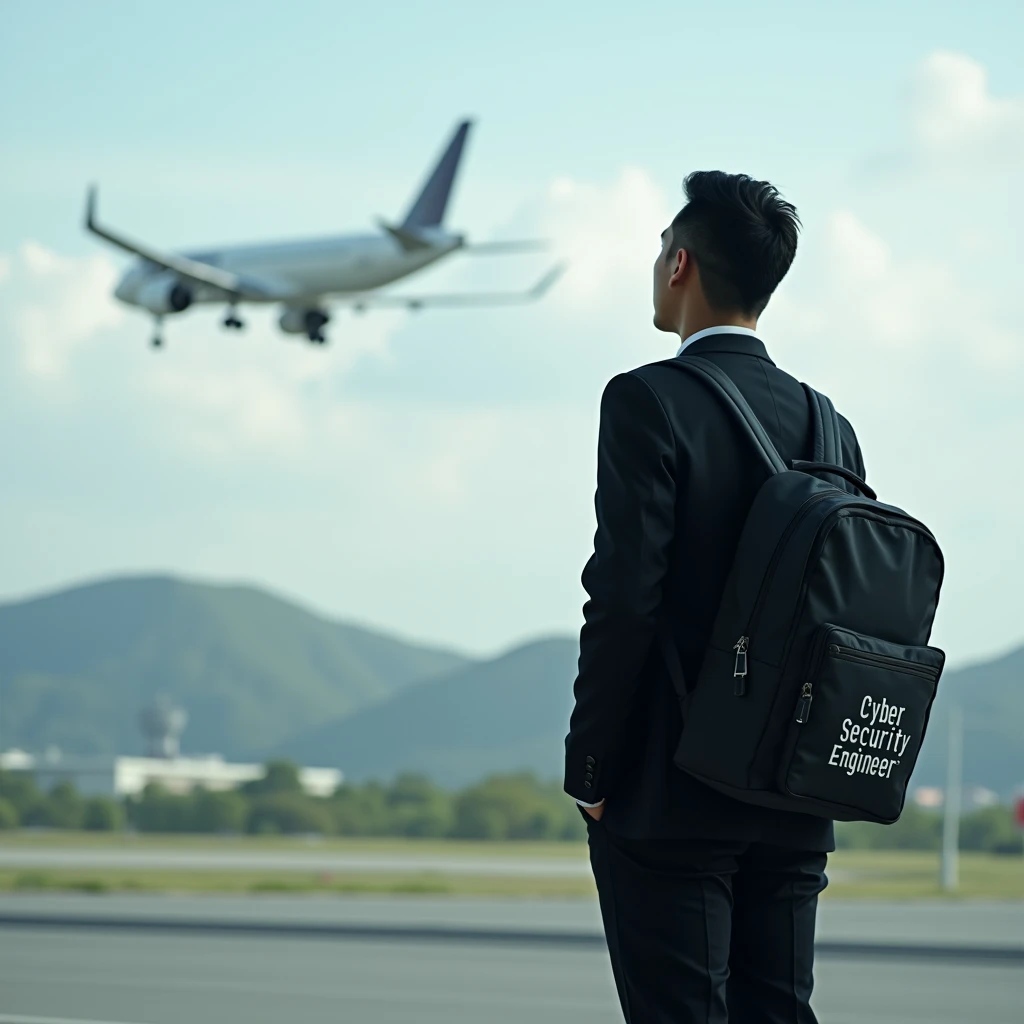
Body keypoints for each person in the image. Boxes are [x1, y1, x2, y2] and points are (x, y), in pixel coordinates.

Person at [564, 170, 866, 1024]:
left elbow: (625, 597)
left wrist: (591, 767)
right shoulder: (829, 423)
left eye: (660, 244)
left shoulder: (646, 400)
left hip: (674, 792)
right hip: (795, 795)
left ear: (680, 265)